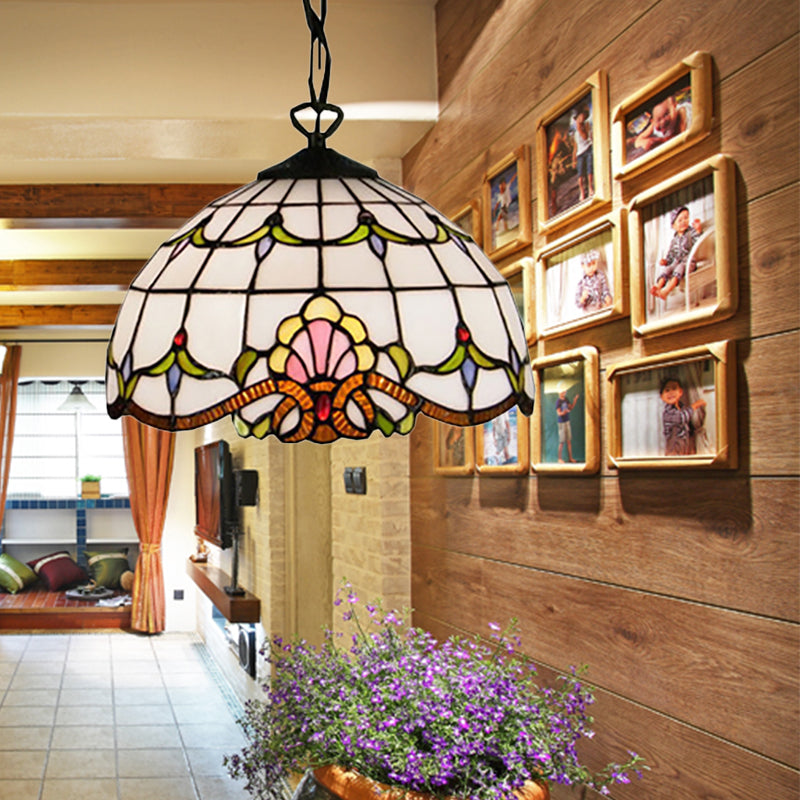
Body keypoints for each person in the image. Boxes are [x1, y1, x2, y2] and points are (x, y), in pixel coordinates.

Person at [650, 206, 703, 301]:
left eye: (686, 218)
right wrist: (666, 261)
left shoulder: (691, 233)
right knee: (668, 269)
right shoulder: (674, 240)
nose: (684, 221)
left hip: (689, 262)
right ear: (673, 226)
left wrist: (698, 230)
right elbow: (671, 254)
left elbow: (698, 243)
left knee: (679, 268)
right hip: (676, 261)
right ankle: (658, 286)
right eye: (680, 220)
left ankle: (665, 291)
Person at [660, 376, 706, 456]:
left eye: (674, 389)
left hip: (683, 443)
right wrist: (694, 406)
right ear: (662, 397)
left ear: (680, 392)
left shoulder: (682, 407)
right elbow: (681, 418)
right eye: (667, 390)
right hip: (673, 446)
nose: (671, 393)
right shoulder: (668, 412)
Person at [575, 248, 612, 313]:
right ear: (583, 266)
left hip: (600, 309)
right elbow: (578, 303)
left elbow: (604, 289)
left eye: (594, 264)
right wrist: (583, 298)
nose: (592, 268)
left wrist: (607, 297)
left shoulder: (600, 276)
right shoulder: (581, 282)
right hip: (588, 313)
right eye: (589, 265)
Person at [571, 103, 594, 201]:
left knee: (589, 171)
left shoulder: (586, 126)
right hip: (580, 154)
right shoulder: (575, 133)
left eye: (583, 116)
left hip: (588, 149)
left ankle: (590, 188)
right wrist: (573, 159)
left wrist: (580, 128)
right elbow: (575, 147)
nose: (582, 118)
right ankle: (582, 191)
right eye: (580, 117)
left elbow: (585, 137)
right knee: (580, 175)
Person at [555, 384, 580, 463]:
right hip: (561, 423)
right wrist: (564, 412)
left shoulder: (566, 399)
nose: (564, 392)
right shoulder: (558, 402)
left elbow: (570, 407)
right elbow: (559, 413)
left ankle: (570, 458)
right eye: (563, 391)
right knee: (562, 441)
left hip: (567, 421)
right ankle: (559, 458)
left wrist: (575, 400)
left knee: (568, 440)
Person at [493, 172, 517, 237]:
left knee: (502, 218)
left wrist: (516, 174)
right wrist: (495, 210)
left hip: (505, 207)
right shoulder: (500, 195)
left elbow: (511, 180)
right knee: (500, 218)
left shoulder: (507, 188)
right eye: (501, 186)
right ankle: (500, 229)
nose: (502, 187)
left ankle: (502, 229)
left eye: (503, 185)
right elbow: (497, 204)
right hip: (502, 207)